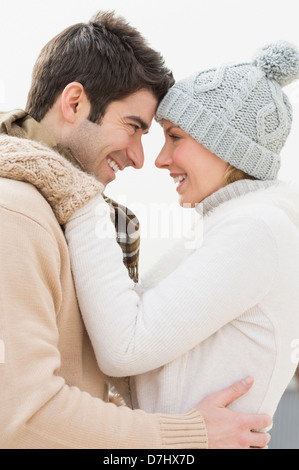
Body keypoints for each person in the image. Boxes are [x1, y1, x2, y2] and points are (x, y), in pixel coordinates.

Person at [0, 10, 271, 450]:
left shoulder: (62, 217)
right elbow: (23, 417)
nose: (141, 158)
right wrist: (187, 437)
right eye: (134, 128)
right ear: (74, 103)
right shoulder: (16, 215)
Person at [51, 41, 299, 422]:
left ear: (226, 147)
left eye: (175, 137)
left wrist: (82, 198)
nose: (162, 159)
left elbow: (125, 348)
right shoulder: (231, 226)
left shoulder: (258, 230)